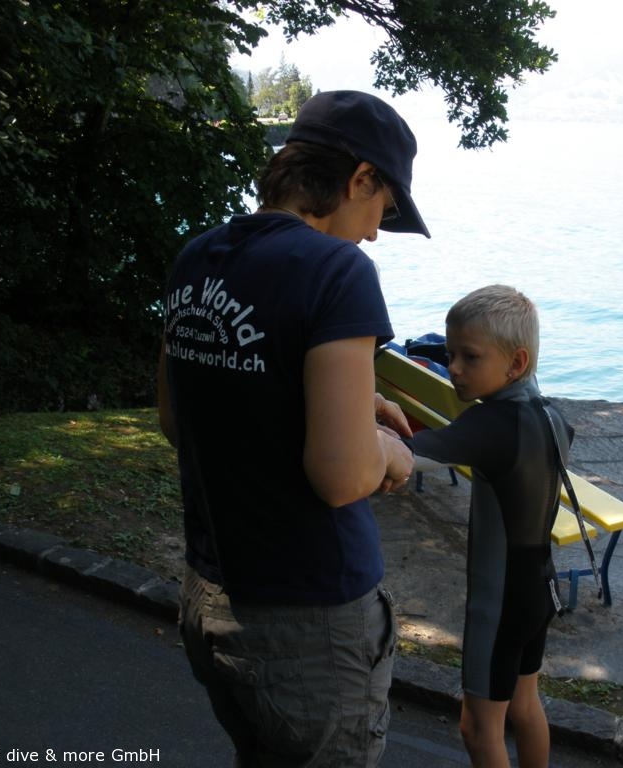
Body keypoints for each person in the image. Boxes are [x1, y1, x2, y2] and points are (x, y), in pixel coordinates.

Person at [157, 90, 428, 767]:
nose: (374, 233)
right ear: (360, 178)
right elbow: (342, 478)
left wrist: (346, 403)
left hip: (211, 597)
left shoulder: (198, 256)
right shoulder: (339, 271)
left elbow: (179, 418)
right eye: (383, 207)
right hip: (310, 623)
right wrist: (387, 450)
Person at [404, 285, 573, 768]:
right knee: (524, 706)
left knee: (479, 729)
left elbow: (405, 455)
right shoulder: (553, 416)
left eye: (469, 357)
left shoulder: (491, 424)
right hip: (538, 587)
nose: (453, 367)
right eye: (450, 354)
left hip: (498, 603)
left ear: (516, 363)